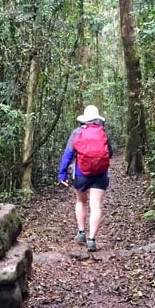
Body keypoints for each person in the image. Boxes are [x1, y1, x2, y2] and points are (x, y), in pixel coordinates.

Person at [58, 105, 112, 252]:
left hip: (81, 173)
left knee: (81, 201)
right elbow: (110, 154)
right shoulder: (103, 133)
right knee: (96, 205)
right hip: (100, 174)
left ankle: (81, 232)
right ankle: (92, 240)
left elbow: (68, 154)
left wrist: (62, 173)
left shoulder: (77, 132)